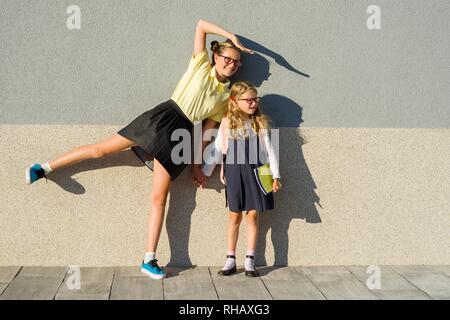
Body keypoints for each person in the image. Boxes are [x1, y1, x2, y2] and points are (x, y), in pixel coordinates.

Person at [25, 19, 253, 279]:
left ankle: (149, 258)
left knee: (159, 197)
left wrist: (197, 166)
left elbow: (206, 134)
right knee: (101, 150)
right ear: (216, 55)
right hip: (162, 117)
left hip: (182, 134)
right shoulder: (200, 63)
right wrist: (233, 37)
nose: (232, 64)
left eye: (237, 62)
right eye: (228, 57)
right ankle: (44, 168)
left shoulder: (226, 98)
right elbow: (201, 24)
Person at [202, 81, 282, 277]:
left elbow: (269, 150)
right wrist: (204, 172)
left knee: (253, 216)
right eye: (248, 100)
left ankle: (250, 260)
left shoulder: (259, 122)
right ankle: (230, 259)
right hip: (235, 171)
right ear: (235, 101)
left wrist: (276, 175)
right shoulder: (227, 122)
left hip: (258, 171)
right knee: (235, 216)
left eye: (255, 99)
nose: (253, 103)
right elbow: (219, 148)